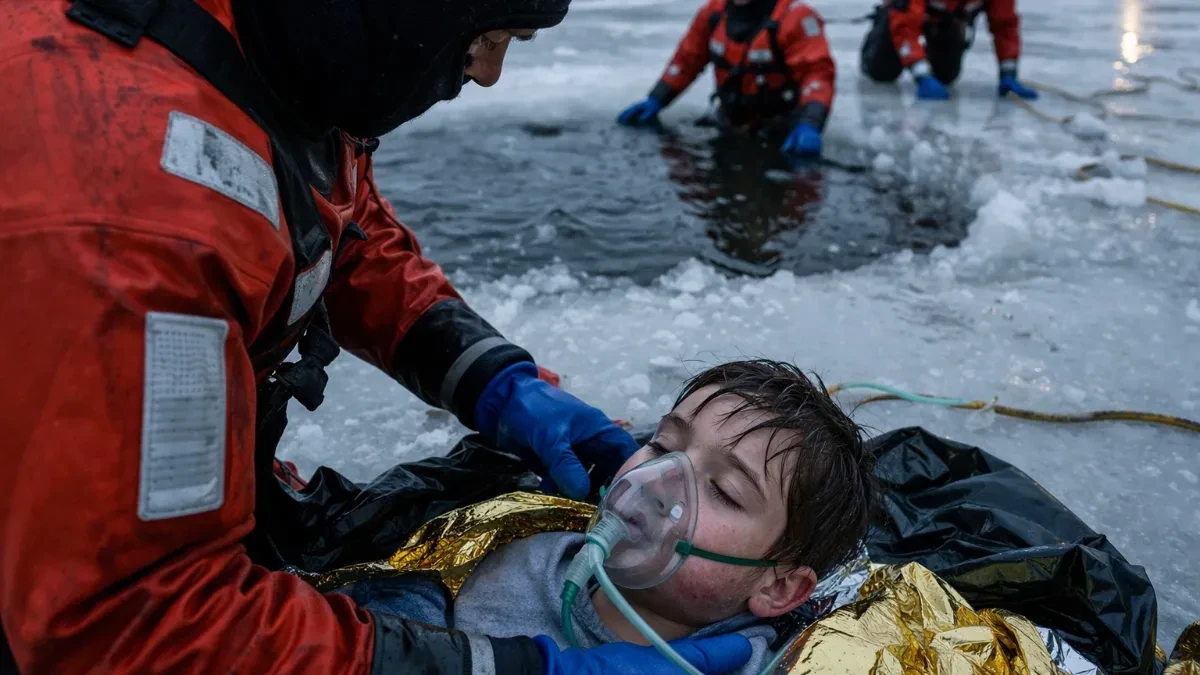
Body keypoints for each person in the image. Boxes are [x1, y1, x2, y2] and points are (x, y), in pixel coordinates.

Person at [0, 1, 753, 674]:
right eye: (488, 35)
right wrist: (508, 667)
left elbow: (335, 226)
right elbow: (134, 628)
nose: (488, 74)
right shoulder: (132, 220)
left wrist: (496, 380)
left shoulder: (272, 48)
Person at [339, 360, 880, 675]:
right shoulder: (515, 566)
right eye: (663, 444)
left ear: (780, 588)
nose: (663, 481)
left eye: (723, 490)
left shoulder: (752, 663)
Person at [616, 0, 836, 158]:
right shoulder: (713, 13)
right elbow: (687, 59)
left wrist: (810, 123)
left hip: (782, 135)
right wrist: (657, 98)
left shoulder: (794, 17)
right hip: (728, 123)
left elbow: (817, 74)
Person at [859, 0, 1040, 101]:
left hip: (947, 24)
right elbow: (905, 27)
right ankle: (880, 33)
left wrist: (1008, 72)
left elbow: (1004, 25)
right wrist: (921, 74)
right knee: (881, 71)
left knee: (945, 76)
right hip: (905, 16)